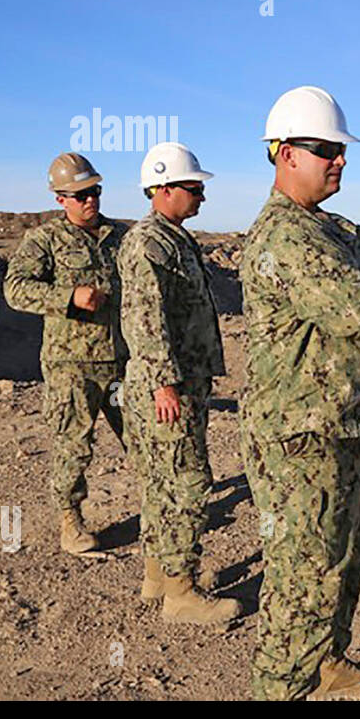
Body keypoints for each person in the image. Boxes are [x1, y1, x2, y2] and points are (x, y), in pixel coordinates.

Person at [242, 86, 360, 700]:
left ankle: (328, 668)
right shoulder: (284, 238)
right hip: (302, 437)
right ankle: (281, 690)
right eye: (325, 150)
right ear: (286, 154)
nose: (339, 160)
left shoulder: (336, 228)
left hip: (350, 423)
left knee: (349, 558)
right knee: (304, 580)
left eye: (341, 150)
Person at [119, 141, 238, 624]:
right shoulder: (150, 243)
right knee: (187, 483)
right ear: (163, 188)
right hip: (170, 388)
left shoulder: (172, 238)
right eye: (193, 188)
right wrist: (164, 384)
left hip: (177, 381)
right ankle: (182, 593)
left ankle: (160, 575)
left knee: (160, 484)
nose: (201, 197)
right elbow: (144, 320)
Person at [4, 152, 126, 555]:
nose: (90, 200)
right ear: (60, 199)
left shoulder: (120, 237)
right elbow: (15, 289)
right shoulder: (44, 241)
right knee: (73, 445)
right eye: (80, 195)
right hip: (71, 365)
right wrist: (68, 297)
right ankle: (70, 521)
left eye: (94, 191)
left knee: (145, 440)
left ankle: (165, 515)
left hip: (122, 361)